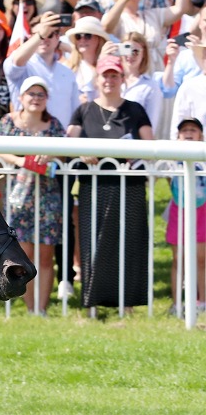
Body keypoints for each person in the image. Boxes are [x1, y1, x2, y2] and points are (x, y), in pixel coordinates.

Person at [66, 54, 155, 311]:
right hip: (93, 186)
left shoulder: (135, 109)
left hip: (130, 187)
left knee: (128, 242)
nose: (109, 80)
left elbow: (150, 145)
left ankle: (126, 303)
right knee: (93, 242)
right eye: (105, 75)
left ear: (122, 79)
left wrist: (135, 152)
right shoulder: (84, 109)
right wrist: (82, 150)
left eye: (114, 75)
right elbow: (68, 141)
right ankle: (93, 302)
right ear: (97, 78)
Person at [0, 76, 66, 314]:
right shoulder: (8, 122)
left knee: (45, 255)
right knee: (23, 255)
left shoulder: (53, 125)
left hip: (47, 197)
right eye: (31, 94)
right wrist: (21, 160)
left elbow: (64, 153)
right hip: (16, 198)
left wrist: (49, 157)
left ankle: (40, 309)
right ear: (21, 97)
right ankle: (29, 305)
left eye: (41, 94)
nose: (36, 99)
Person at [167, 117, 206, 316]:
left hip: (202, 211)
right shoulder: (172, 159)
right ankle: (176, 303)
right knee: (178, 259)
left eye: (193, 130)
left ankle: (202, 302)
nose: (189, 133)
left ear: (201, 136)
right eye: (184, 130)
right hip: (179, 210)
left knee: (201, 259)